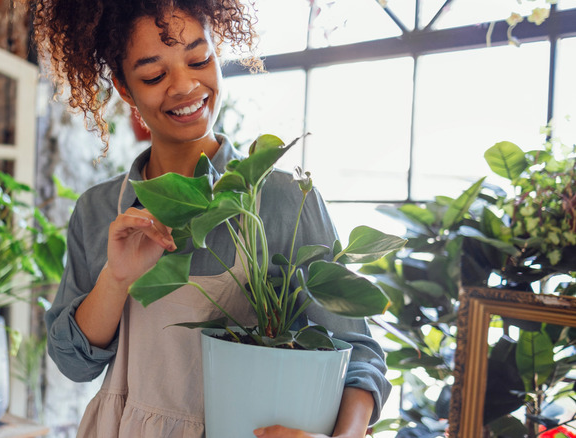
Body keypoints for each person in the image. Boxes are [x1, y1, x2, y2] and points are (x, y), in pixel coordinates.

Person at [33, 1, 391, 436]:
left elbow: (359, 356)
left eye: (199, 60)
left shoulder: (282, 198)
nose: (185, 86)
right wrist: (116, 279)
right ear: (125, 90)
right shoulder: (100, 209)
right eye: (153, 75)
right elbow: (73, 363)